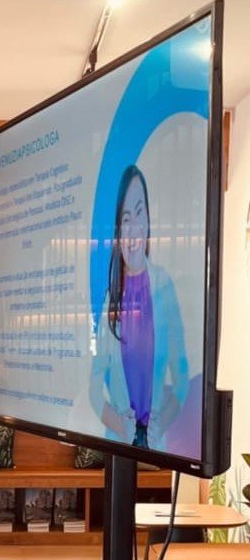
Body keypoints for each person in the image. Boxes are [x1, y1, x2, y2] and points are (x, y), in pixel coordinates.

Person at [89, 164, 189, 452]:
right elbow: (94, 389)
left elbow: (181, 378)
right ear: (118, 232)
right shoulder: (111, 298)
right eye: (125, 219)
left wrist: (162, 422)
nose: (133, 229)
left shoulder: (164, 286)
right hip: (118, 442)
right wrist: (120, 425)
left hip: (157, 445)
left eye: (139, 213)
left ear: (148, 222)